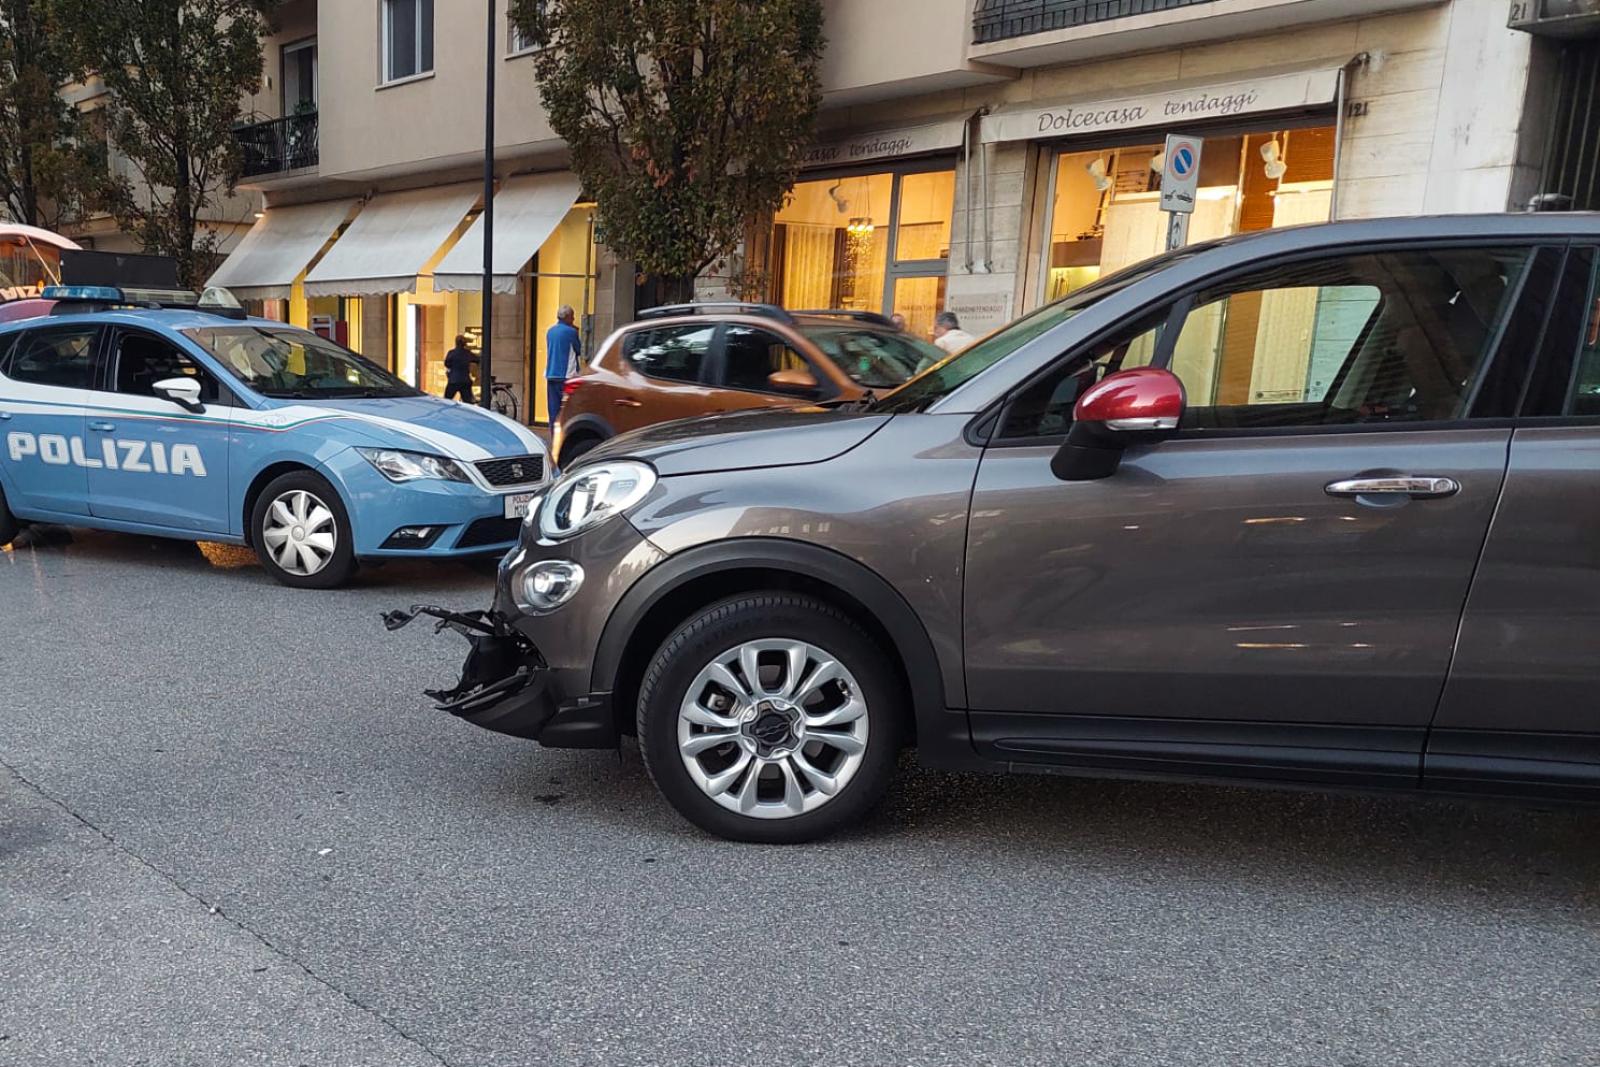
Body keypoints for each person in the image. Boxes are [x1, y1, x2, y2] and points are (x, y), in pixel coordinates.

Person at [545, 305, 582, 424]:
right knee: (569, 410)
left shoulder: (550, 331)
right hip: (567, 375)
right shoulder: (571, 332)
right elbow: (578, 350)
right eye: (572, 317)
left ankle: (553, 432)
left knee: (553, 410)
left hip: (551, 373)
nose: (573, 319)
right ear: (567, 317)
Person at [443, 335, 477, 403]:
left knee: (446, 400)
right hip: (465, 380)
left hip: (453, 380)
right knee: (468, 402)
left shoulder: (452, 353)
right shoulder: (467, 353)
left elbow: (447, 364)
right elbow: (476, 359)